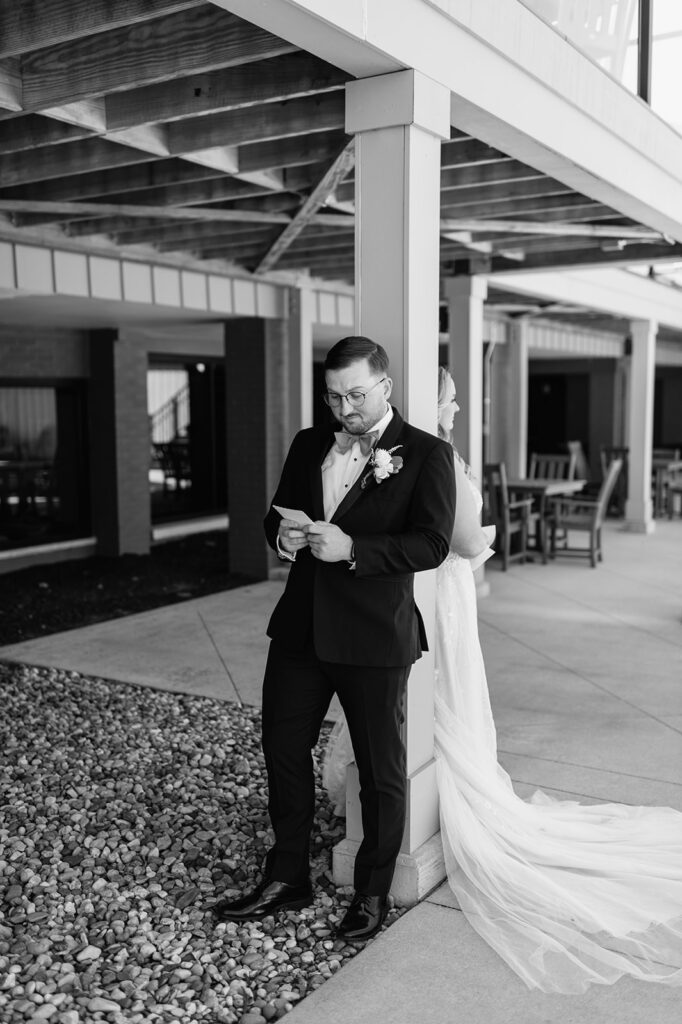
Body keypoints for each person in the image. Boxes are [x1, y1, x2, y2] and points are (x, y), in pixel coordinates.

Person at [325, 368, 682, 991]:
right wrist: (483, 536)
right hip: (435, 595)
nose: (459, 404)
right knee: (423, 703)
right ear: (432, 402)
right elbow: (463, 540)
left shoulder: (421, 456)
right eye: (451, 396)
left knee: (425, 708)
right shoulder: (436, 457)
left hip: (438, 595)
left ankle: (396, 814)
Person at [212, 337, 456, 941]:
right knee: (282, 749)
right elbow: (277, 513)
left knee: (380, 772)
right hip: (299, 629)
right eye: (333, 395)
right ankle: (287, 875)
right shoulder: (307, 443)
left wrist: (356, 550)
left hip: (374, 636)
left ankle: (372, 892)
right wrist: (283, 538)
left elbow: (432, 544)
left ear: (385, 388)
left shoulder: (425, 455)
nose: (343, 408)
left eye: (355, 395)